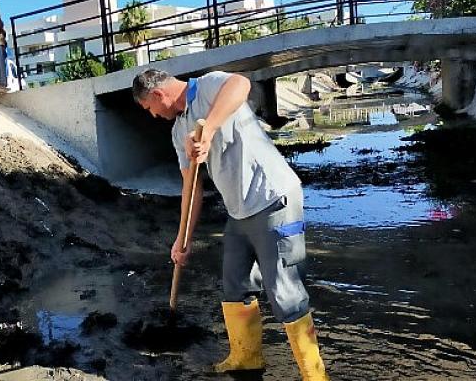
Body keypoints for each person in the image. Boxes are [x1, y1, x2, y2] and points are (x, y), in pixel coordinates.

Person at [132, 69, 329, 380]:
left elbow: (241, 84)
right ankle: (246, 358)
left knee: (285, 293)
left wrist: (208, 130)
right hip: (239, 213)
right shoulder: (177, 130)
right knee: (234, 285)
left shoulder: (208, 86)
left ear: (158, 95)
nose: (154, 116)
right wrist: (182, 239)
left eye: (149, 109)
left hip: (273, 199)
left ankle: (314, 375)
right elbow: (191, 187)